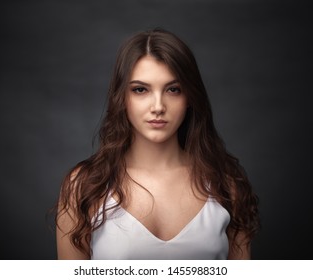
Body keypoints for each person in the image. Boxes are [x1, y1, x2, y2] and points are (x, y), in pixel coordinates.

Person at [56, 28, 260, 260]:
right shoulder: (84, 187)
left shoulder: (226, 185)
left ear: (190, 98)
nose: (158, 106)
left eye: (173, 89)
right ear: (122, 98)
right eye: (140, 90)